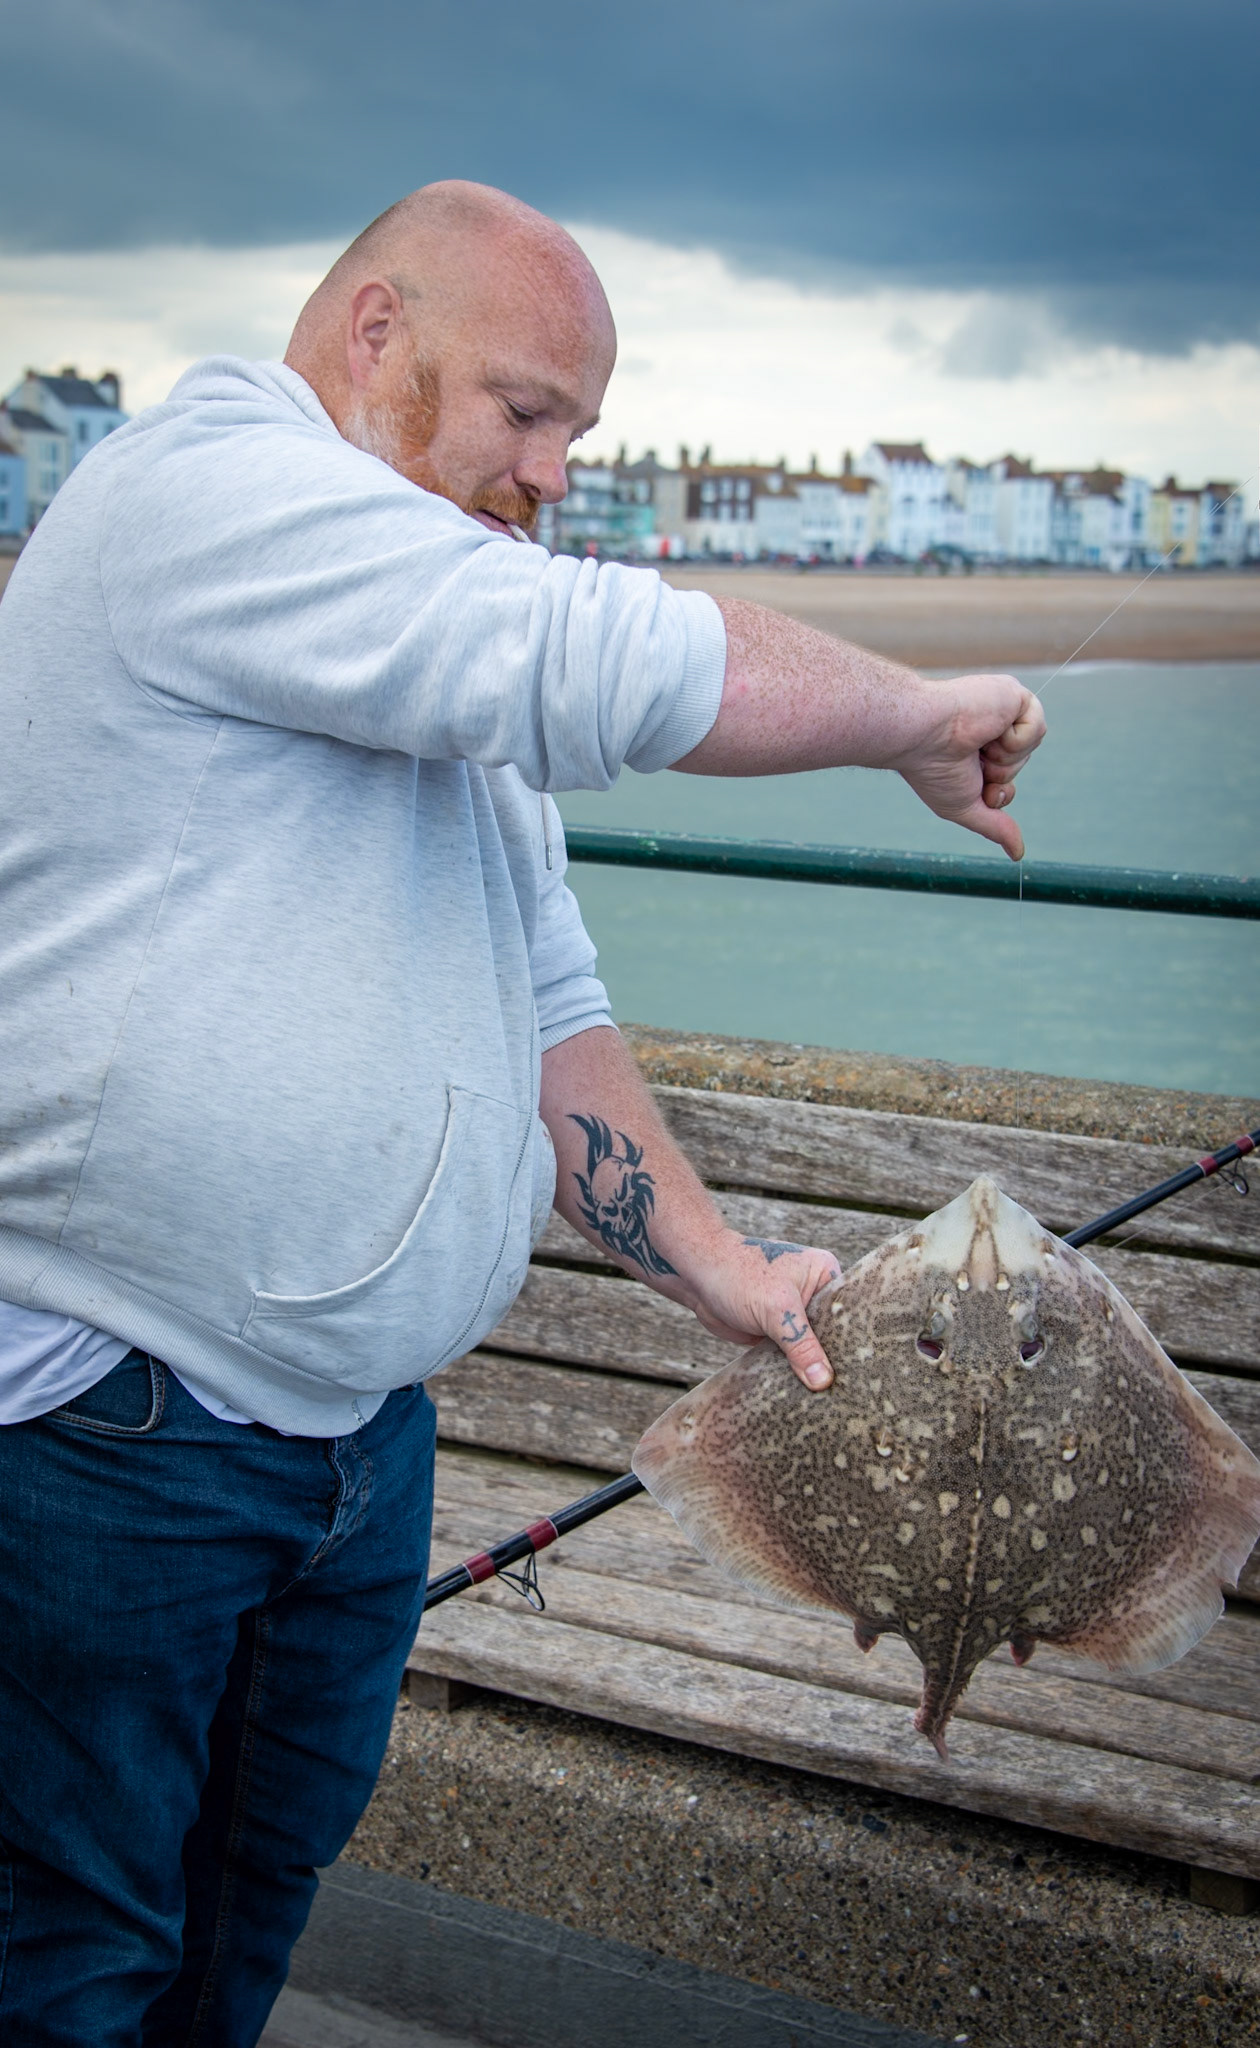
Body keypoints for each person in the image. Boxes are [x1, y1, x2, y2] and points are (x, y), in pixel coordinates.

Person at [0, 181, 1045, 2044]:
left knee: (239, 1930)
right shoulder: (208, 494)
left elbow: (544, 987)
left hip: (351, 1451)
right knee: (68, 1957)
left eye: (583, 432)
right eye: (528, 410)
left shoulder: (413, 602)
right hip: (118, 1430)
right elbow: (605, 657)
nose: (556, 472)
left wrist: (716, 1265)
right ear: (377, 336)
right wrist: (912, 709)